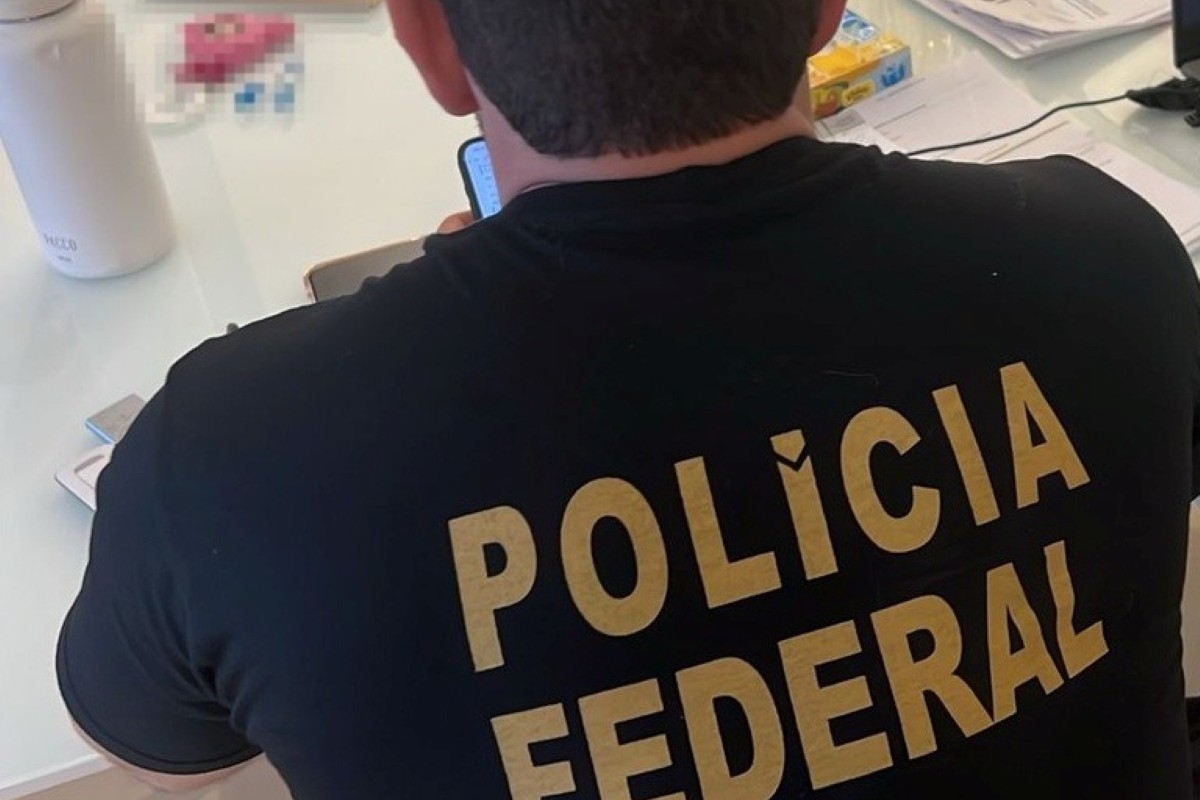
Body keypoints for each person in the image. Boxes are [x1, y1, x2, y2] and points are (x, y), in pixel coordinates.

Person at [56, 0, 1199, 797]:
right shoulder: (1111, 256)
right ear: (826, 12)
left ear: (428, 42)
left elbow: (156, 754)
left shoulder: (236, 455)